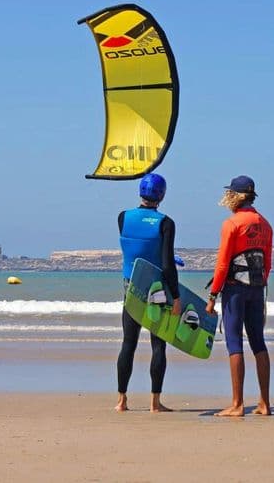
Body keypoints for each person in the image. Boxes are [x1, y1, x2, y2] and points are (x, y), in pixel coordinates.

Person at [206, 175, 273, 417]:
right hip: (257, 289)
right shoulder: (265, 224)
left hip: (235, 289)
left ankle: (237, 404)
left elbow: (223, 264)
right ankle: (264, 403)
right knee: (258, 342)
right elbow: (268, 264)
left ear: (234, 196)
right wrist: (258, 287)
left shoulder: (232, 224)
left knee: (234, 342)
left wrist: (213, 295)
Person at [116, 173, 182, 413]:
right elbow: (166, 265)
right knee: (158, 346)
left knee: (128, 343)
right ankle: (155, 403)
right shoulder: (166, 223)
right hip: (156, 290)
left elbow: (137, 247)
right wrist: (176, 297)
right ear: (162, 195)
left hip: (130, 287)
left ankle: (122, 401)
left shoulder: (123, 217)